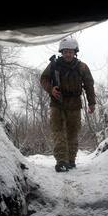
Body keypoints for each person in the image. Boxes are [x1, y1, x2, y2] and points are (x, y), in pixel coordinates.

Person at [40, 37, 96, 172]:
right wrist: (51, 89)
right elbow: (44, 78)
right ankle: (61, 161)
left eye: (70, 51)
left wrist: (91, 103)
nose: (68, 54)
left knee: (73, 132)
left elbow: (89, 85)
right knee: (58, 132)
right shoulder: (54, 65)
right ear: (62, 52)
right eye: (65, 51)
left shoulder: (82, 67)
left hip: (75, 104)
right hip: (57, 102)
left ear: (75, 52)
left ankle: (71, 160)